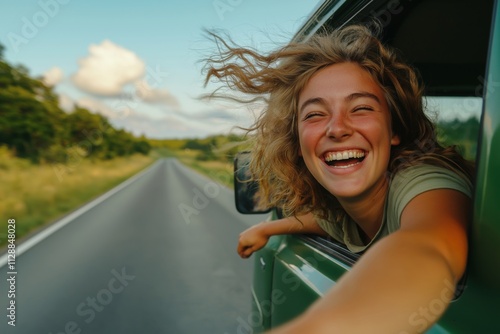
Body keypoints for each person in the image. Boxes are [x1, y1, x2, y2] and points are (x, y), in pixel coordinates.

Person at [203, 23, 474, 333]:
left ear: (395, 129)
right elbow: (327, 221)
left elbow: (429, 245)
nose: (337, 128)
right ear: (299, 143)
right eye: (315, 114)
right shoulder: (350, 210)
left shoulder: (425, 180)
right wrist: (269, 226)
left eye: (360, 108)